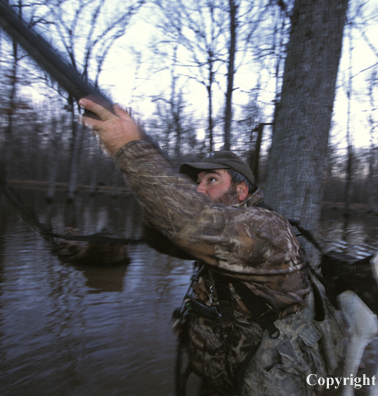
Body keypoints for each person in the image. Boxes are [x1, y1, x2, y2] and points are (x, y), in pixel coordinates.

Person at [79, 98, 344, 395]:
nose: (200, 189)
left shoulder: (265, 229)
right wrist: (158, 187)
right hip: (221, 375)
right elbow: (161, 236)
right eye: (198, 182)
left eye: (212, 180)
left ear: (241, 191)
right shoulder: (215, 233)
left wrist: (130, 148)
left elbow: (191, 221)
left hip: (263, 382)